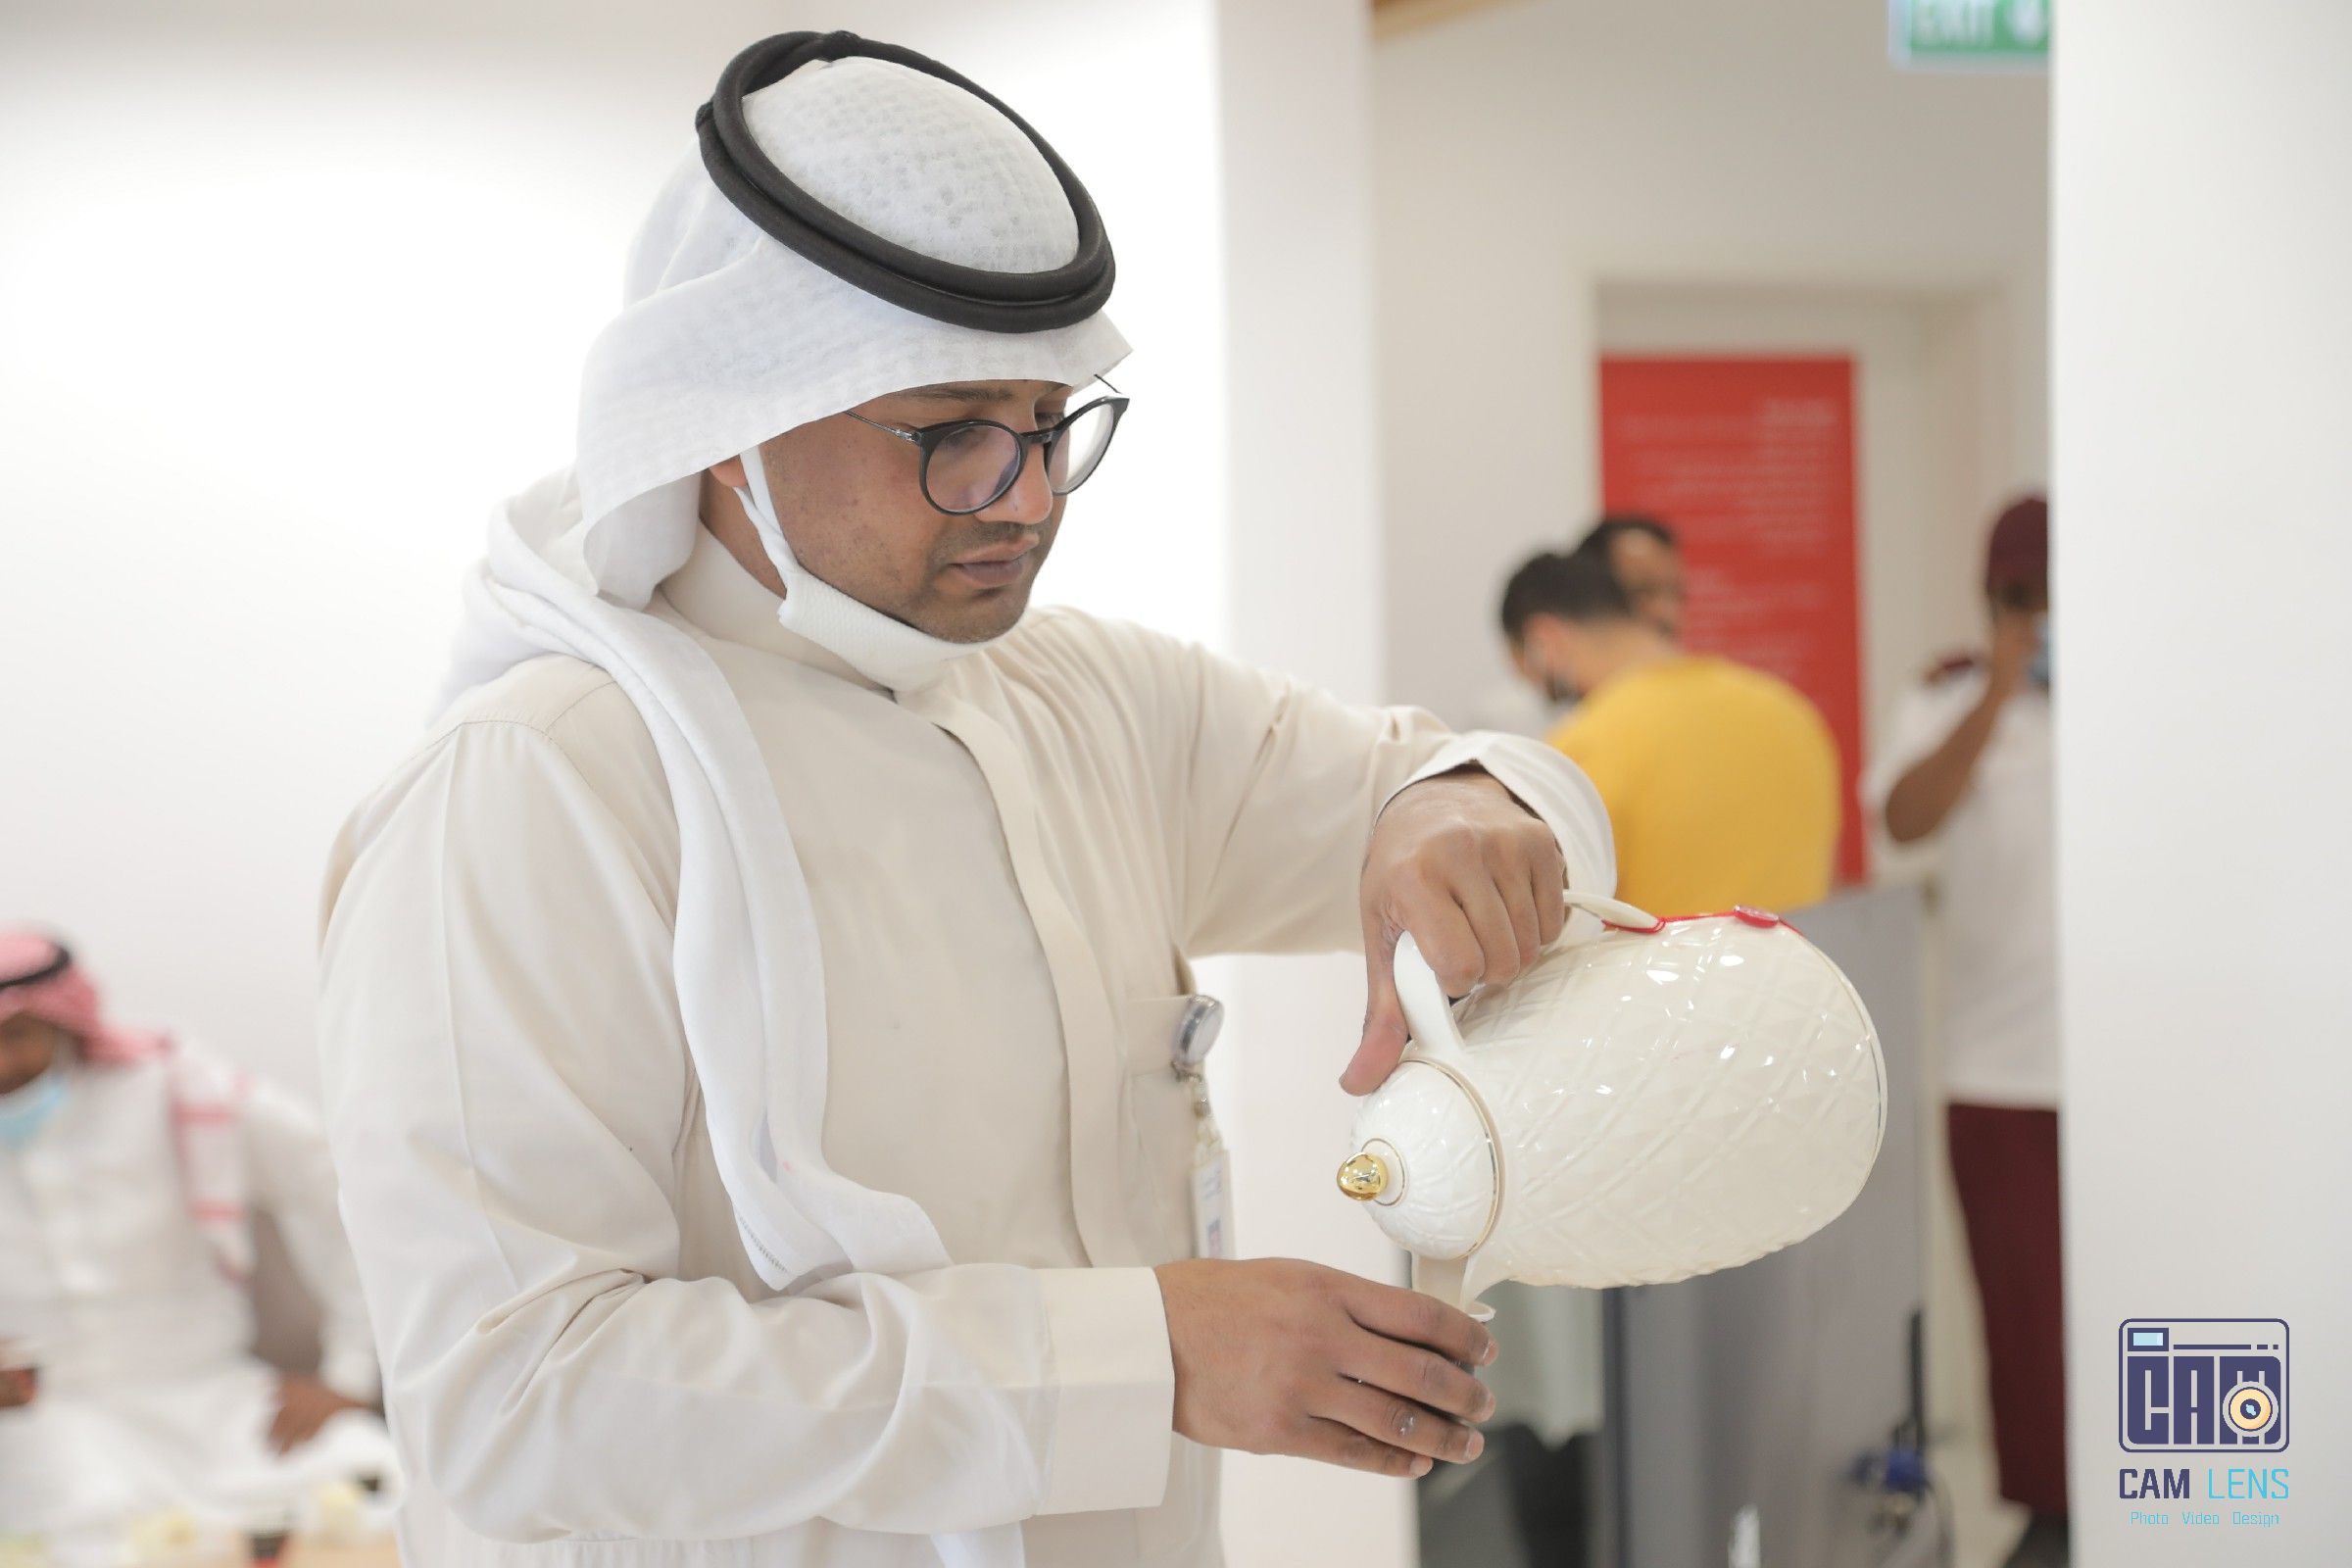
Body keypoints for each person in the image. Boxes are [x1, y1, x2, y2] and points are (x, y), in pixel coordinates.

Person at [316, 30, 1614, 1568]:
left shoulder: (1081, 696)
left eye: (1052, 423)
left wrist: (1455, 807)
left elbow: (1450, 777)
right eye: (953, 436)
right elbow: (517, 1403)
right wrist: (1145, 1357)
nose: (1030, 496)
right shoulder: (537, 792)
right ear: (727, 426)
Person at [0, 932, 391, 1548]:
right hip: (49, 1425)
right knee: (78, 1532)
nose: (1, 1065)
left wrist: (347, 1376)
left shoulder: (177, 1087)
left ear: (62, 1021)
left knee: (379, 1482)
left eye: (16, 1035)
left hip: (213, 1407)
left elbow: (348, 1198)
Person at [1863, 495, 2064, 1568]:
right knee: (2026, 1321)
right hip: (2000, 1071)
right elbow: (1904, 820)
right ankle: (2052, 1516)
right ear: (1990, 603)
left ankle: (2164, 1494)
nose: (2041, 615)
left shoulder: (2139, 693)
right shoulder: (1945, 700)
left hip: (2135, 1071)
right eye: (2020, 598)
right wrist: (1996, 690)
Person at [1500, 544, 1838, 916]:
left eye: (1529, 671)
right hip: (1797, 953)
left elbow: (1555, 923)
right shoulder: (1791, 712)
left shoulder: (1579, 750)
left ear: (1543, 640)